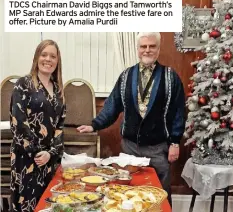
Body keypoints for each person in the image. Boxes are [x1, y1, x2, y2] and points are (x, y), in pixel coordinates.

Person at [77, 32, 185, 205]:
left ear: (158, 49)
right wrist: (94, 125)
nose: (147, 50)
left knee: (160, 196)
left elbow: (179, 112)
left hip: (158, 149)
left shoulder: (170, 76)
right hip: (129, 148)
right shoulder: (126, 76)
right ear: (137, 49)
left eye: (152, 46)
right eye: (143, 46)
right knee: (129, 195)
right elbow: (112, 106)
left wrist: (175, 142)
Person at [10, 40, 66, 212]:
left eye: (53, 56)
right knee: (27, 204)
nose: (48, 59)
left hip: (48, 161)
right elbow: (19, 123)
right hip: (27, 158)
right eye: (44, 54)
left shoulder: (58, 90)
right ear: (36, 58)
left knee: (48, 205)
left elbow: (60, 126)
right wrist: (36, 152)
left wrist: (51, 154)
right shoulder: (23, 84)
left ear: (57, 61)